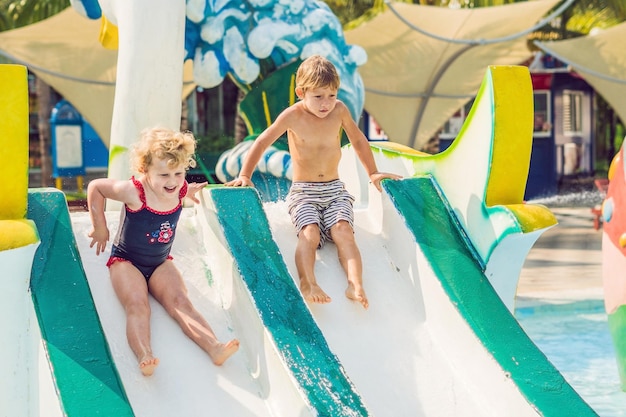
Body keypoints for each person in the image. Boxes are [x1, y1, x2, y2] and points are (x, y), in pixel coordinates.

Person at [226, 55, 401, 309]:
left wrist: (373, 173)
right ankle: (308, 282)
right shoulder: (292, 116)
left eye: (331, 95)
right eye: (318, 97)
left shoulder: (339, 111)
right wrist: (245, 175)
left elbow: (359, 140)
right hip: (304, 192)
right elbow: (262, 141)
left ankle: (355, 284)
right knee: (310, 233)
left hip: (334, 190)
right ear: (301, 92)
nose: (326, 103)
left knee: (343, 231)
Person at [87, 127, 239, 376]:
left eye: (179, 173)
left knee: (181, 303)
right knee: (138, 305)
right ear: (145, 170)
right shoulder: (134, 191)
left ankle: (214, 347)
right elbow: (96, 187)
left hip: (160, 262)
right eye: (164, 174)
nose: (172, 181)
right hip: (126, 261)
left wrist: (187, 190)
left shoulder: (178, 187)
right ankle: (144, 354)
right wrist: (99, 226)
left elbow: (179, 187)